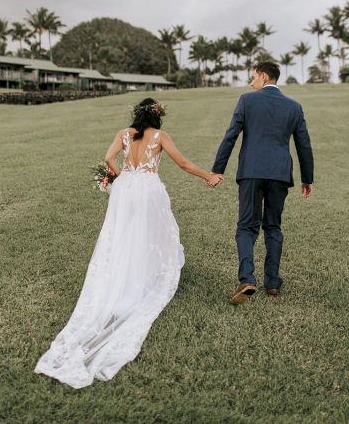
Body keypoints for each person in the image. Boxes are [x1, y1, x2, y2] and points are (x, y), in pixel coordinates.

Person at [35, 98, 220, 388]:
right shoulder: (160, 137)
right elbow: (183, 163)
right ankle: (142, 278)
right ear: (158, 117)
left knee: (123, 234)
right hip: (148, 189)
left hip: (125, 190)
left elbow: (108, 159)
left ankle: (122, 277)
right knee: (150, 234)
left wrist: (123, 179)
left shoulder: (124, 134)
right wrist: (208, 176)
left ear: (137, 114)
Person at [211, 61, 314, 304]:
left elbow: (231, 136)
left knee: (247, 226)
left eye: (253, 77)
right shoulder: (294, 107)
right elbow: (304, 145)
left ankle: (247, 279)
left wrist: (218, 169)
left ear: (265, 77)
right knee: (273, 226)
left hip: (251, 171)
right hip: (280, 173)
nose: (251, 82)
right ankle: (272, 283)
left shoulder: (247, 100)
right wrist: (307, 178)